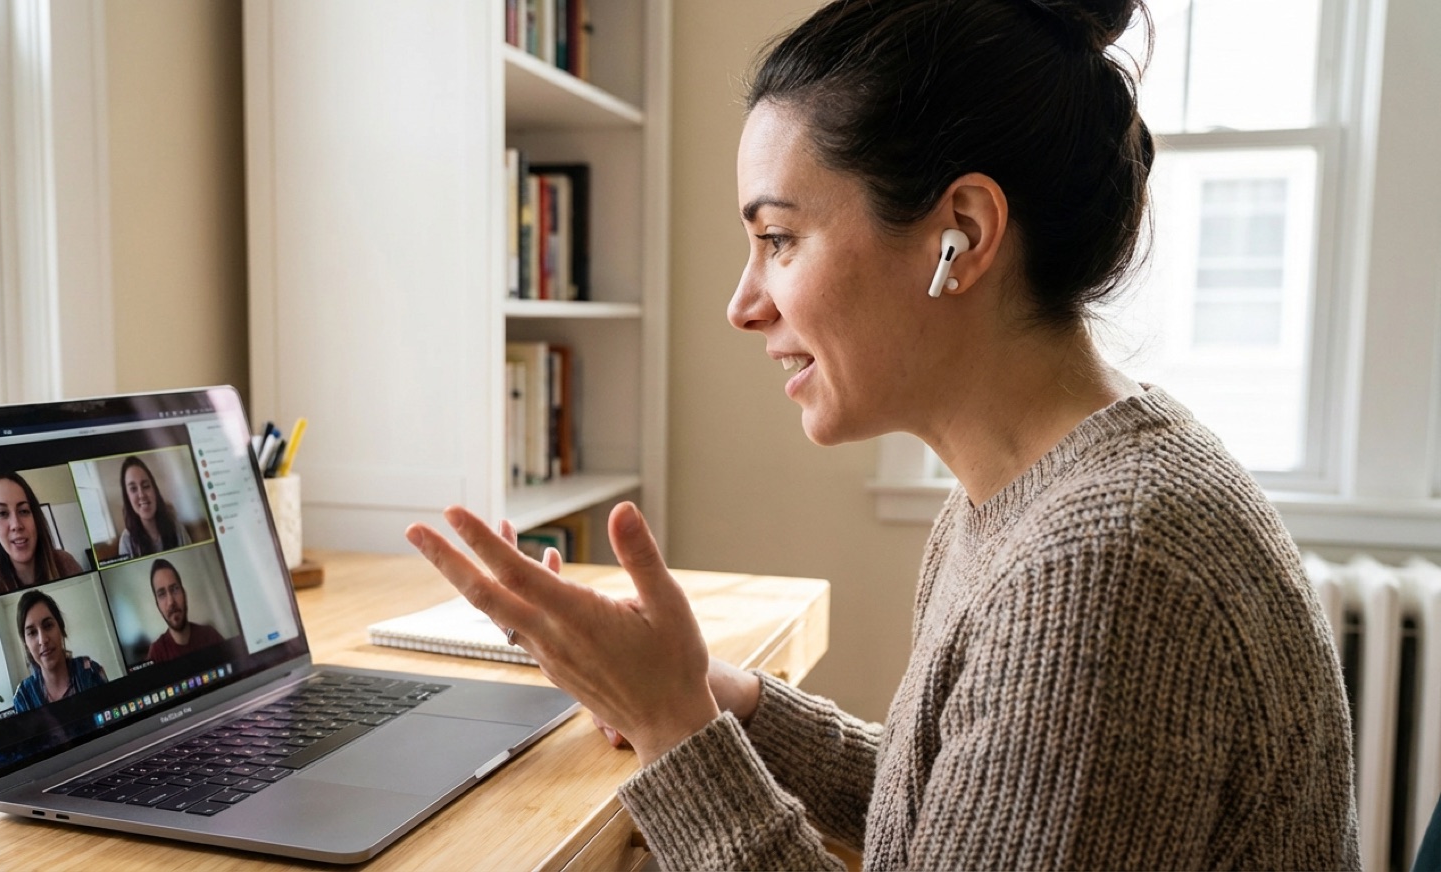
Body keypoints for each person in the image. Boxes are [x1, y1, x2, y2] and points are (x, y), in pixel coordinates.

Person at [404, 0, 1359, 869]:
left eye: (778, 239)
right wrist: (718, 698)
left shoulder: (1105, 566)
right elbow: (953, 815)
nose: (741, 304)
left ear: (963, 234)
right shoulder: (1031, 493)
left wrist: (673, 729)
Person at [0, 471, 85, 594]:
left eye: (23, 511)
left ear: (35, 519)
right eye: (2, 513)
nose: (16, 525)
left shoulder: (64, 563)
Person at [11, 590, 108, 711]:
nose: (43, 640)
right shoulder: (23, 698)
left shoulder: (91, 672)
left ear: (61, 628)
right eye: (32, 632)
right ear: (26, 645)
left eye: (48, 626)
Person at [145, 559, 224, 662]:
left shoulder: (210, 636)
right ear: (158, 606)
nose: (170, 602)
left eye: (175, 589)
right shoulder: (156, 654)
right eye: (162, 594)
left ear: (184, 594)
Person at [117, 455, 191, 558]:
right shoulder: (126, 542)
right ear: (128, 498)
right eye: (133, 489)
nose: (142, 494)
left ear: (154, 490)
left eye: (146, 486)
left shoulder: (177, 528)